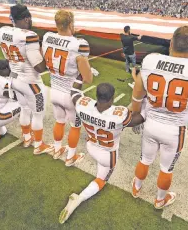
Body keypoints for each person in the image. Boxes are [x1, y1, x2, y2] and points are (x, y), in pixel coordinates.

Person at [131, 26, 188, 209]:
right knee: (166, 168)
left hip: (151, 123)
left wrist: (136, 112)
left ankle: (136, 188)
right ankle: (160, 200)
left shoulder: (151, 60)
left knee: (145, 159)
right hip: (175, 130)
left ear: (171, 43)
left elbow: (138, 89)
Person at [59, 81, 144, 224]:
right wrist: (146, 100)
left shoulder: (83, 104)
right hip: (107, 155)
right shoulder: (120, 114)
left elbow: (73, 91)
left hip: (91, 146)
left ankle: (78, 199)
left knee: (110, 129)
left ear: (96, 95)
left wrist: (80, 77)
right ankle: (79, 199)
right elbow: (139, 118)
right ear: (112, 98)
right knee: (101, 179)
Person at [0, 4, 52, 155]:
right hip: (31, 82)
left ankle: (27, 137)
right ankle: (39, 145)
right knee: (38, 113)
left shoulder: (3, 31)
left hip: (15, 78)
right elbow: (39, 68)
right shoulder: (29, 36)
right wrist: (49, 60)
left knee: (25, 109)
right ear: (27, 18)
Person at [42, 10, 93, 166]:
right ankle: (71, 157)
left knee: (59, 121)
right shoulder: (79, 44)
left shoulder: (47, 37)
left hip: (54, 90)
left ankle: (57, 149)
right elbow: (88, 79)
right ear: (71, 24)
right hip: (71, 93)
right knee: (75, 126)